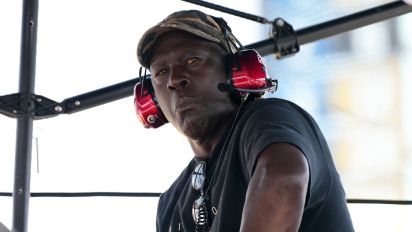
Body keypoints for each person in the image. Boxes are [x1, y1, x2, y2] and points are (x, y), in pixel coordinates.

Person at [135, 10, 354, 232]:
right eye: (161, 72)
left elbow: (283, 179)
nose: (174, 79)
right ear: (150, 99)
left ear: (235, 70)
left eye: (193, 60)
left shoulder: (268, 118)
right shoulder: (170, 206)